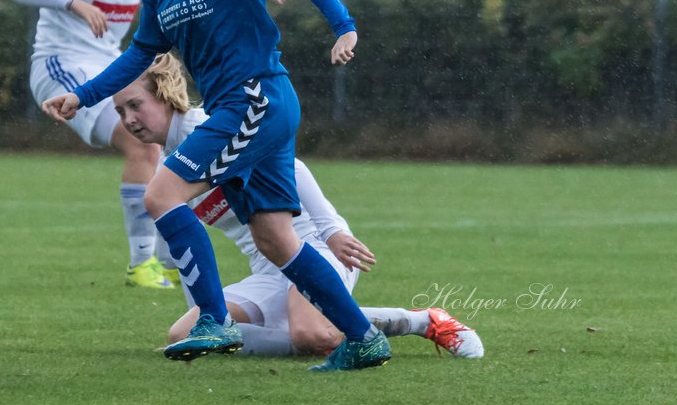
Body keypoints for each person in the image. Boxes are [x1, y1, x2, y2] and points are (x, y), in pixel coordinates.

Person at [43, 0, 391, 371]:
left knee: (161, 192)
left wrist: (344, 26)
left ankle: (214, 318)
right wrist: (83, 96)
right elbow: (142, 53)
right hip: (246, 106)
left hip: (257, 99)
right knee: (276, 239)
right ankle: (365, 338)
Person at [114, 54, 484, 359]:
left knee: (310, 334)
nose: (129, 120)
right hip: (267, 270)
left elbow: (291, 165)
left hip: (314, 249)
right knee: (181, 331)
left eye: (135, 105)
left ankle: (424, 321)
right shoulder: (166, 172)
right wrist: (202, 320)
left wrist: (332, 229)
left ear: (164, 94)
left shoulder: (208, 131)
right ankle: (316, 327)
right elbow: (177, 258)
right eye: (119, 112)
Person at [0, 0, 176, 290]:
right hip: (59, 65)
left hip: (107, 65)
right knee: (141, 141)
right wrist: (72, 1)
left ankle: (170, 257)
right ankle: (142, 264)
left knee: (166, 137)